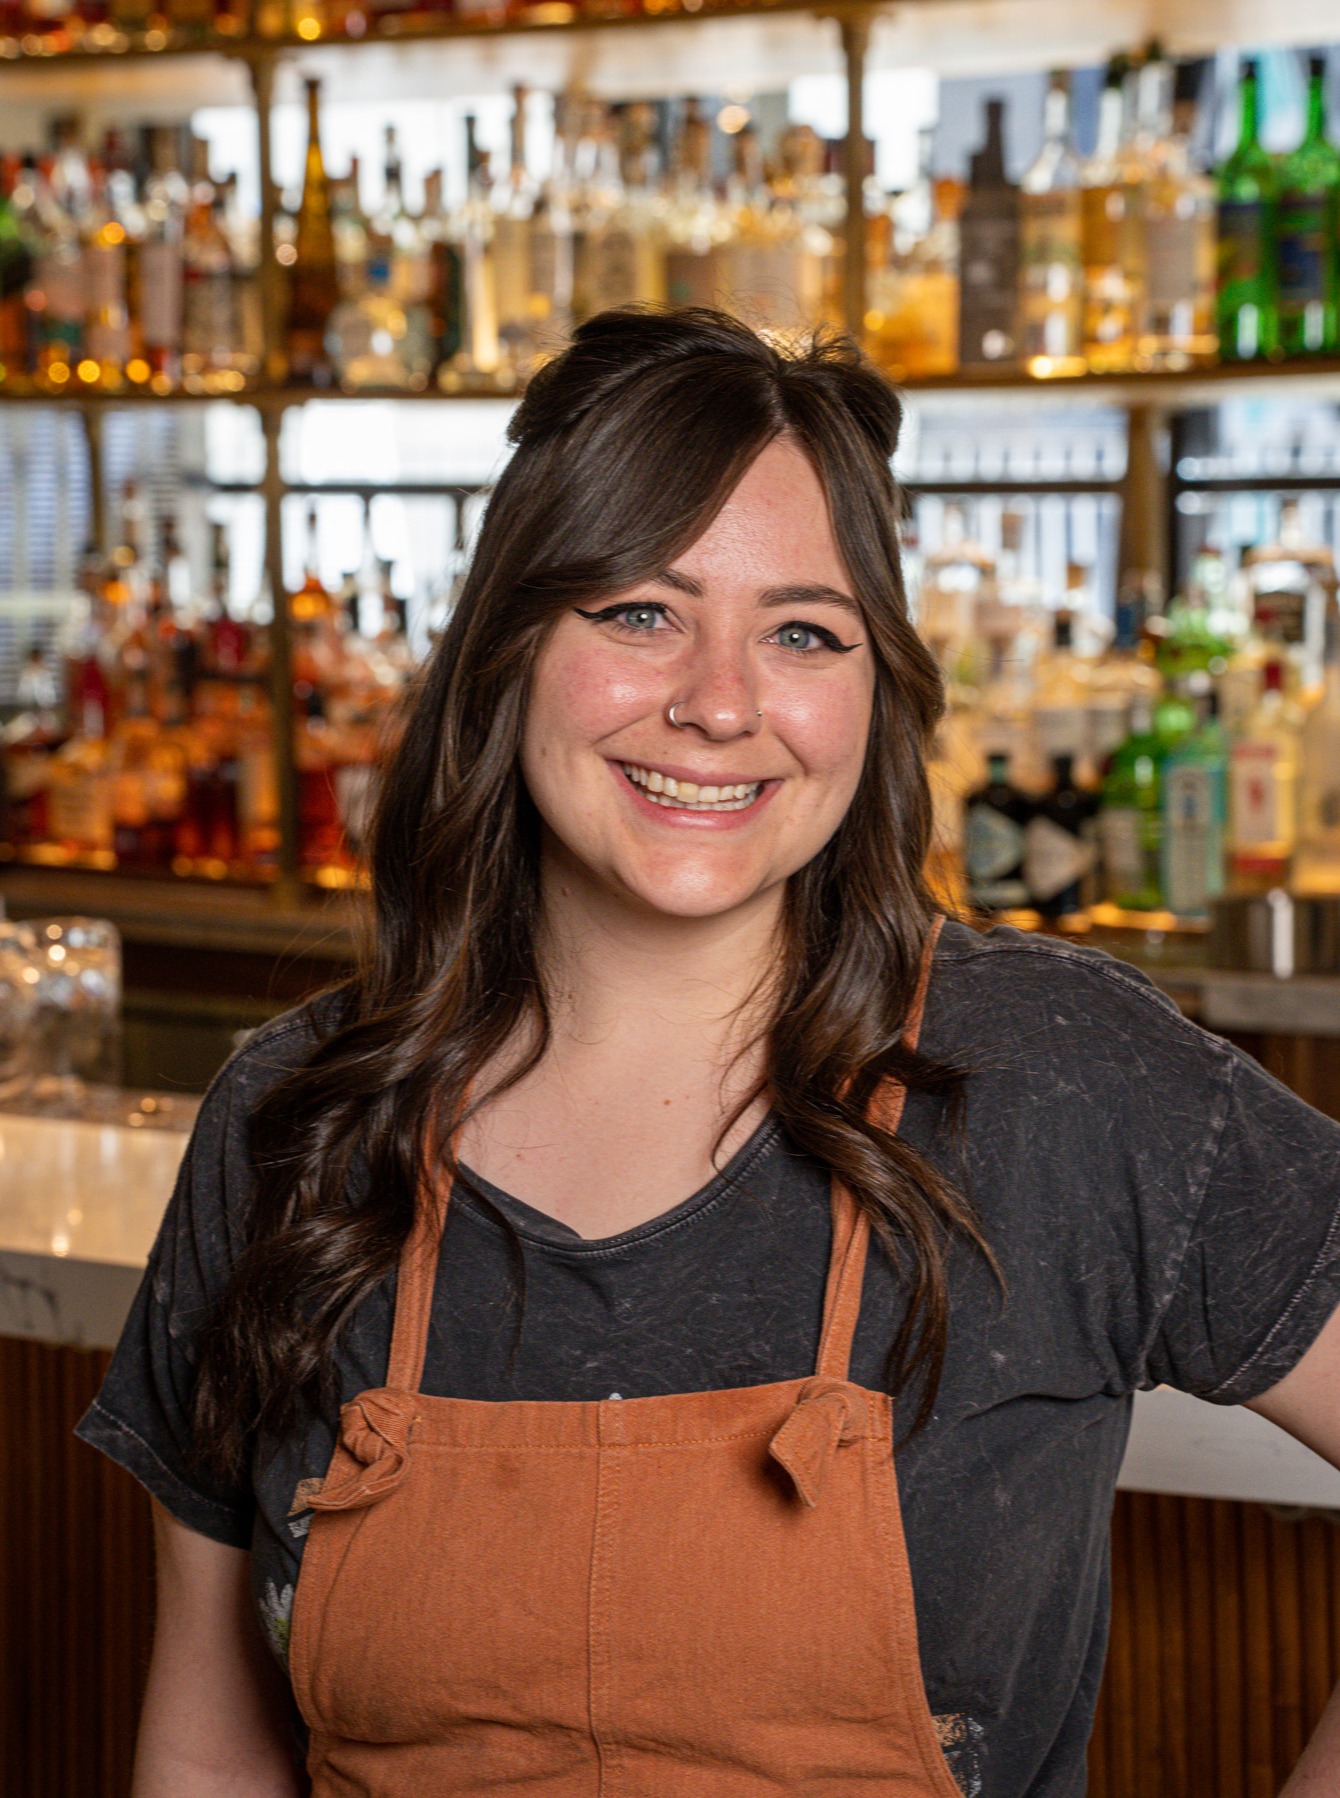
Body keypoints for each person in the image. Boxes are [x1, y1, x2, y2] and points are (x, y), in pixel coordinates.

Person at [80, 308, 1340, 1798]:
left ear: (873, 695)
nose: (722, 702)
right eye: (638, 611)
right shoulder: (294, 1122)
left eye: (803, 630)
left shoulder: (1059, 1083)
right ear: (509, 648)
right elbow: (210, 1739)